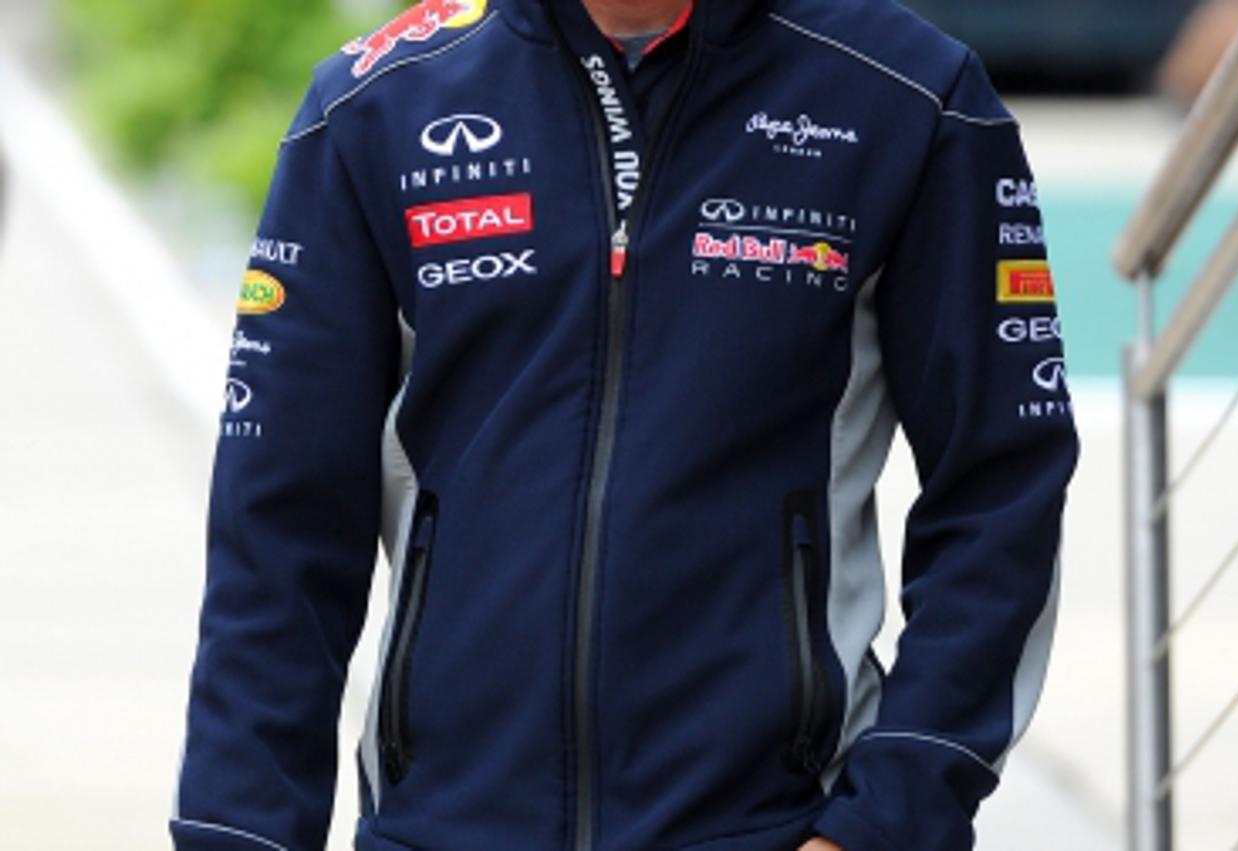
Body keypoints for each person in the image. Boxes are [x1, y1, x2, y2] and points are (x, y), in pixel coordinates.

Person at [172, 0, 1079, 849]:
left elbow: (1003, 485)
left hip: (770, 823)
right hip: (442, 825)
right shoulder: (376, 104)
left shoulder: (910, 96)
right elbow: (279, 532)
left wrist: (890, 817)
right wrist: (237, 831)